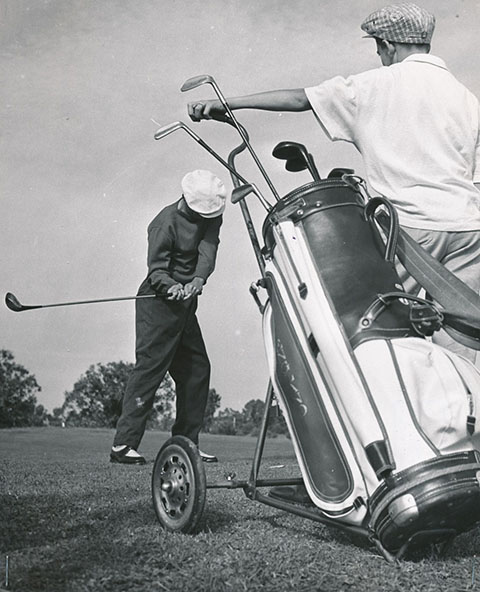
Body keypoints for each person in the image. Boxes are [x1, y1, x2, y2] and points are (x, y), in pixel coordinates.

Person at [188, 3, 480, 501]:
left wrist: (228, 103)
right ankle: (463, 471)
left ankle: (408, 475)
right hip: (470, 228)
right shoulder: (465, 96)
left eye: (379, 47)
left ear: (387, 45)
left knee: (397, 348)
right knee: (464, 355)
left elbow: (301, 99)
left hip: (409, 234)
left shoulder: (377, 85)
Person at [110, 170, 227, 465]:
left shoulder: (211, 214)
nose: (205, 218)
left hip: (186, 303)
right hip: (159, 301)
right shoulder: (164, 223)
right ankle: (123, 445)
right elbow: (157, 270)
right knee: (151, 369)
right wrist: (172, 286)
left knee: (197, 369)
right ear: (187, 202)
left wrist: (198, 280)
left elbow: (208, 249)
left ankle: (186, 442)